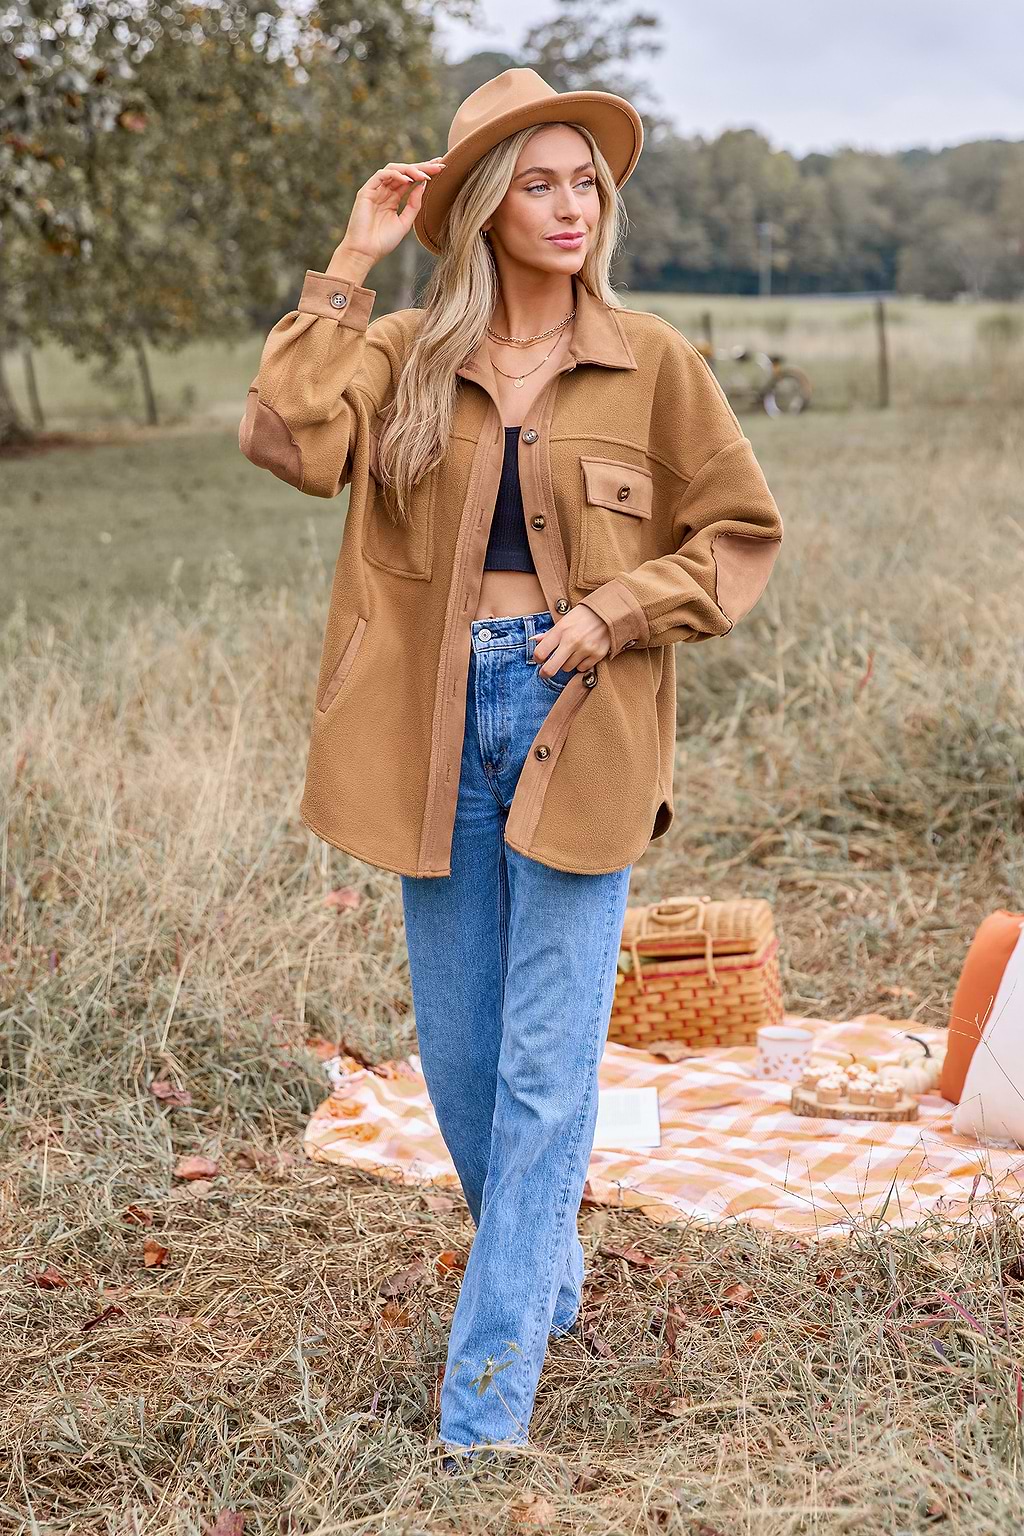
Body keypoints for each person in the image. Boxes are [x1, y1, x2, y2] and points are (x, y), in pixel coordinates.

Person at [239, 67, 784, 1469]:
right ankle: (543, 1278)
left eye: (586, 182)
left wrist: (614, 611)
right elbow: (288, 438)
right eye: (538, 180)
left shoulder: (654, 360)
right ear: (485, 202)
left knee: (550, 1075)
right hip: (433, 730)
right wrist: (354, 259)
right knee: (468, 1067)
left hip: (578, 714)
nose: (569, 206)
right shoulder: (413, 348)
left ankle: (483, 1412)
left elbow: (735, 538)